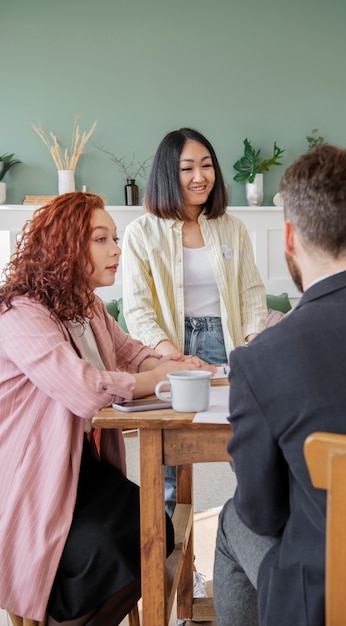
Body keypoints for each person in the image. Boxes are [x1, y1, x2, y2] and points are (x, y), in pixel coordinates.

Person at [212, 144, 346, 626]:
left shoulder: (260, 361)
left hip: (333, 604)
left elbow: (262, 515)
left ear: (289, 237)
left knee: (230, 520)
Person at [0, 192, 215, 626]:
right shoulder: (19, 314)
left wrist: (172, 364)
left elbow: (131, 353)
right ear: (64, 247)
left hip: (79, 469)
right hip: (30, 477)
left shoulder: (88, 304)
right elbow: (83, 388)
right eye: (101, 239)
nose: (116, 249)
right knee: (117, 547)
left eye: (114, 238)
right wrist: (152, 380)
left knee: (157, 529)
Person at [122, 127, 267, 519]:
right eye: (188, 168)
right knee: (170, 462)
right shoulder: (141, 232)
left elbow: (252, 293)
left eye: (206, 166)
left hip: (227, 343)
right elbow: (137, 309)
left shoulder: (231, 228)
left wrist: (252, 347)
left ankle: (255, 545)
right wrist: (172, 359)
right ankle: (171, 565)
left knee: (246, 449)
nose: (200, 176)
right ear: (169, 173)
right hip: (170, 347)